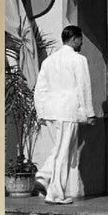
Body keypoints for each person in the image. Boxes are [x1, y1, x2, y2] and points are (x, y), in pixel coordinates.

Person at [34, 25, 95, 204]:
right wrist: (89, 112)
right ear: (75, 39)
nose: (81, 43)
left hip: (51, 111)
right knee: (64, 152)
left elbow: (40, 89)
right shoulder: (78, 60)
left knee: (59, 149)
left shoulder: (49, 61)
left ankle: (44, 176)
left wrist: (41, 112)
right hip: (68, 110)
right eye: (80, 39)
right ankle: (55, 193)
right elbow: (84, 87)